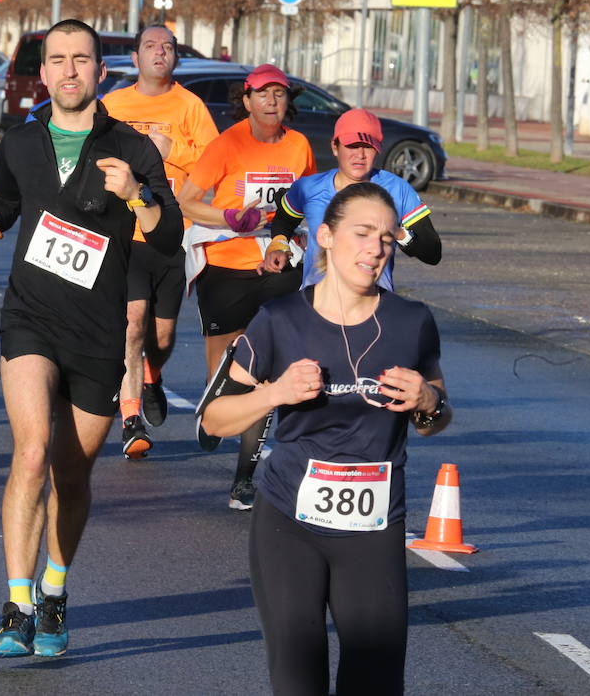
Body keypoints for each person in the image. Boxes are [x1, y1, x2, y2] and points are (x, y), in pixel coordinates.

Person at [0, 18, 181, 658]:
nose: (68, 70)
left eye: (80, 59)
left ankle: (55, 591)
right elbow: (6, 196)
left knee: (72, 470)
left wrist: (138, 194)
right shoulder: (24, 142)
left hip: (98, 331)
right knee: (32, 454)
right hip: (29, 318)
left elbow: (168, 235)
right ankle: (16, 604)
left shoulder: (131, 148)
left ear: (100, 71)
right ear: (43, 73)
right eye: (56, 60)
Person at [199, 181, 451, 696]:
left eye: (386, 237)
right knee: (299, 682)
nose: (375, 248)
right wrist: (274, 394)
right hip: (288, 525)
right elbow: (214, 419)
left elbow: (435, 419)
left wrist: (428, 400)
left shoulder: (412, 322)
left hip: (374, 527)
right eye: (362, 233)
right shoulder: (280, 319)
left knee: (375, 683)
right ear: (326, 238)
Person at [177, 64, 316, 510]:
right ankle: (216, 410)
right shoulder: (227, 143)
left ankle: (244, 480)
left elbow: (309, 200)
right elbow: (188, 201)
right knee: (225, 375)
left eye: (279, 93)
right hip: (225, 264)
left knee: (269, 373)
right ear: (247, 100)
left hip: (279, 267)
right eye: (263, 94)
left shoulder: (299, 146)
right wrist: (231, 217)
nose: (272, 101)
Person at [101, 24, 218, 457]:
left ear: (175, 58)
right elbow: (93, 156)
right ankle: (131, 420)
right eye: (150, 46)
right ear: (135, 58)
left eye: (167, 47)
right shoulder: (113, 104)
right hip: (125, 234)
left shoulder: (190, 106)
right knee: (132, 326)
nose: (159, 52)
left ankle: (152, 374)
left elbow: (213, 164)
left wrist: (171, 152)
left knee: (162, 336)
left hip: (172, 234)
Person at [267, 108, 442, 292]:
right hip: (317, 306)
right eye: (352, 145)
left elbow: (433, 252)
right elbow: (284, 219)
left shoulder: (397, 189)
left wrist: (398, 233)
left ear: (378, 149)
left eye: (367, 146)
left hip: (373, 307)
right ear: (335, 147)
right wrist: (279, 244)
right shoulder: (309, 187)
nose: (360, 154)